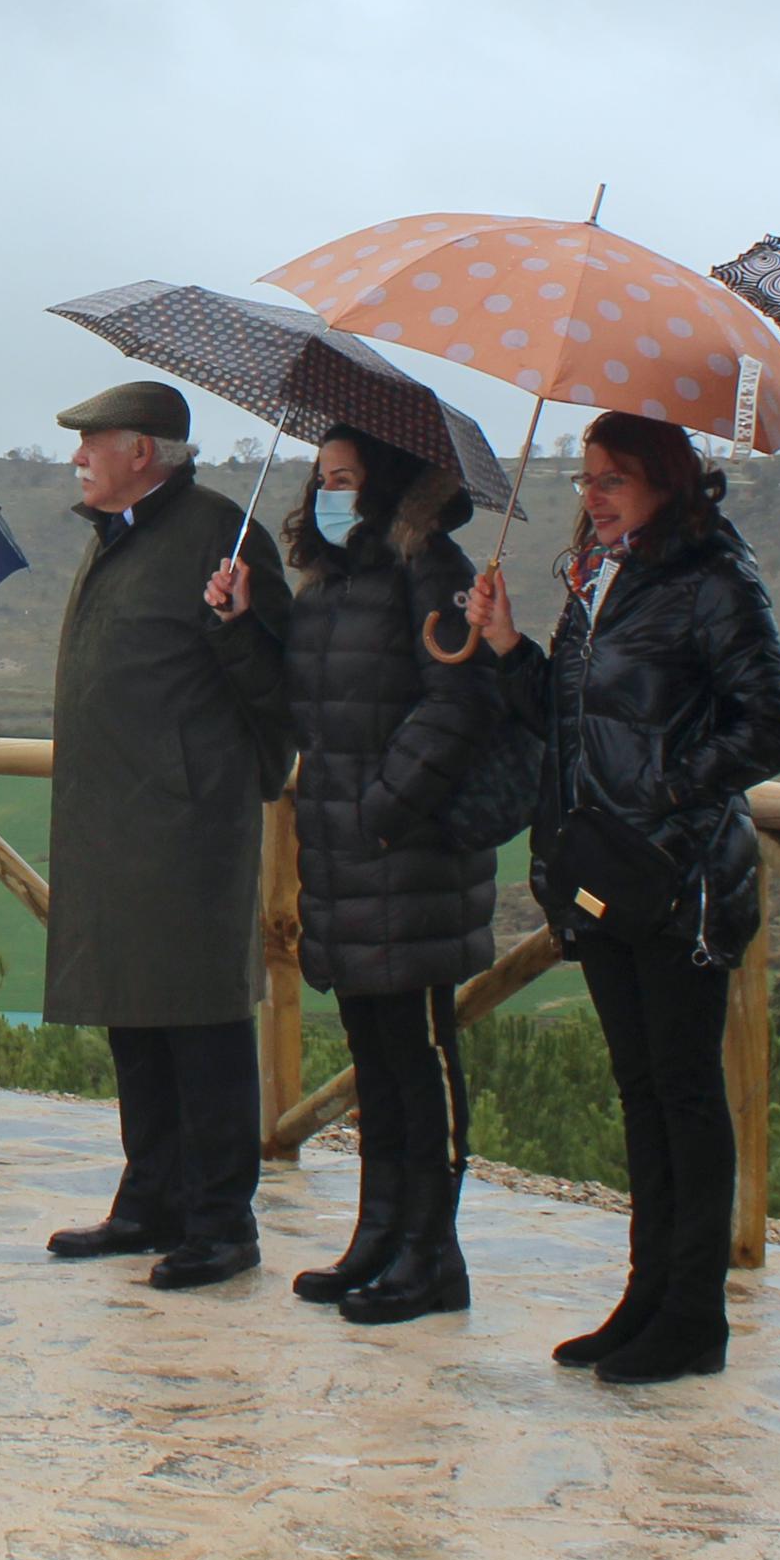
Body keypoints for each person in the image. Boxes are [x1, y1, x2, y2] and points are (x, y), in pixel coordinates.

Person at [467, 410, 780, 1387]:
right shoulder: (599, 582)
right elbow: (565, 722)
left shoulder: (712, 581)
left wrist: (661, 786)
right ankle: (646, 1295)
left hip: (677, 879)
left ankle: (692, 1313)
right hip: (602, 872)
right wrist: (507, 648)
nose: (592, 494)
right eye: (584, 477)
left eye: (612, 477)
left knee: (685, 1095)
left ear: (666, 479)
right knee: (642, 1094)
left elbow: (771, 725)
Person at [217, 425, 536, 1325]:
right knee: (375, 1056)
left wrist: (383, 809)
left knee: (420, 1056)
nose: (329, 491)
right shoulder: (331, 585)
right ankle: (377, 1234)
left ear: (388, 484)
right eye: (321, 477)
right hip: (347, 851)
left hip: (409, 851)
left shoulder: (430, 570)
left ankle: (432, 1254)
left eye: (346, 477)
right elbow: (295, 704)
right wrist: (243, 625)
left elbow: (459, 702)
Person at [34, 383, 294, 1291]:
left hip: (186, 826)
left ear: (142, 450)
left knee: (202, 1027)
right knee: (134, 1019)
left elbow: (277, 687)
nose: (77, 457)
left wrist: (235, 623)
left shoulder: (224, 535)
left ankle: (222, 1223)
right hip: (113, 821)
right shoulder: (120, 536)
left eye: (90, 441)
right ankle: (149, 1200)